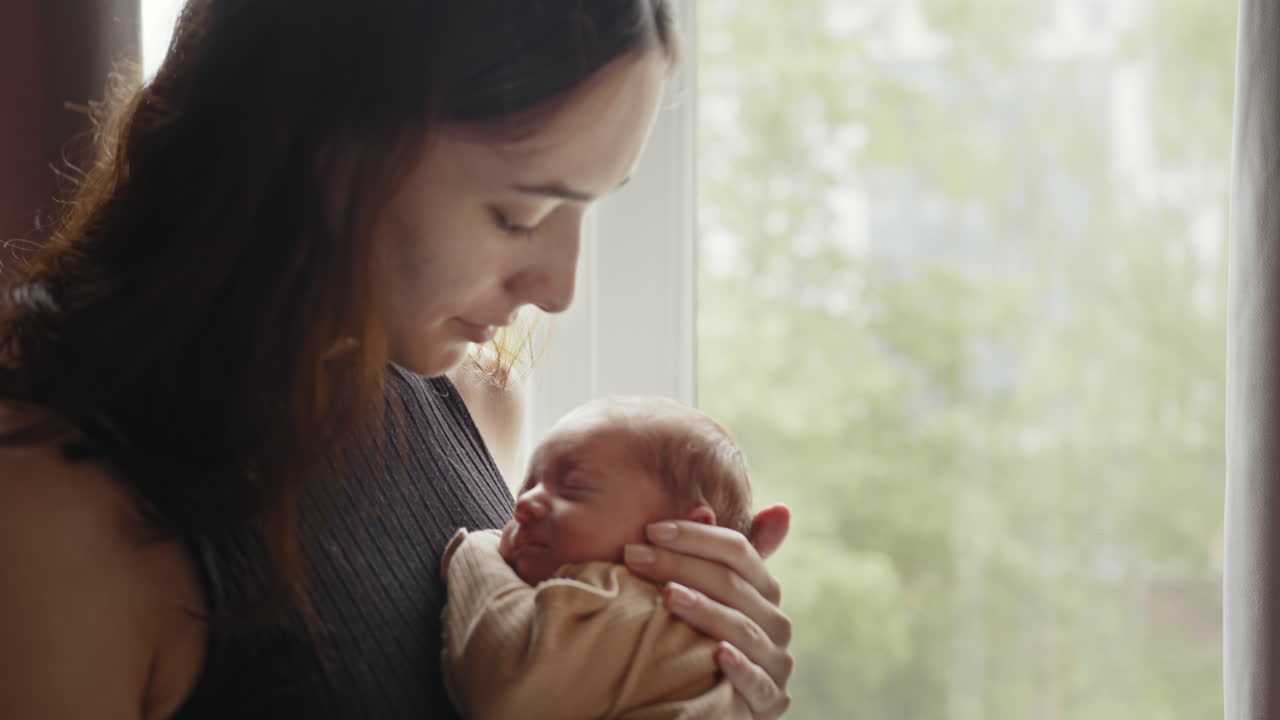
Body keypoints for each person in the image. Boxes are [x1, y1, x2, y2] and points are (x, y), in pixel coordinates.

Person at [0, 1, 794, 719]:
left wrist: (677, 671)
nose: (558, 289)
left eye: (588, 204)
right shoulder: (53, 515)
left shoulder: (479, 398)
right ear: (315, 138)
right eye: (520, 214)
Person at [441, 396, 755, 719]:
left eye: (573, 488)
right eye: (526, 489)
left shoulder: (636, 603)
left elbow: (508, 689)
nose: (525, 505)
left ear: (688, 533)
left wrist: (477, 551)